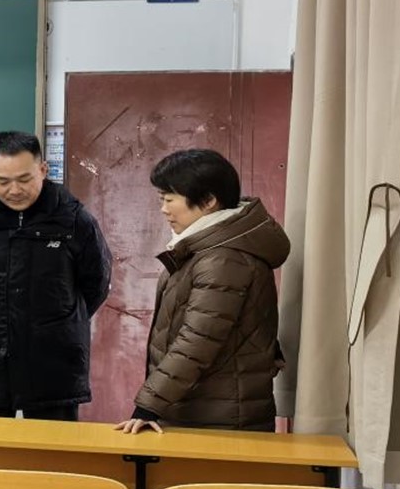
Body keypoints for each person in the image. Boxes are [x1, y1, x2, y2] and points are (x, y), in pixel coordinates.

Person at [115, 148, 290, 434]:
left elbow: (197, 342)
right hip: (204, 410)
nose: (163, 209)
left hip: (221, 420)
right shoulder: (206, 250)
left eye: (169, 199)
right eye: (161, 199)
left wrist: (149, 405)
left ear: (208, 201)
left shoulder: (223, 259)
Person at [0, 131, 112, 420]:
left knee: (51, 447)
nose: (14, 190)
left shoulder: (75, 222)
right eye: (2, 181)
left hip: (54, 363)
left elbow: (95, 284)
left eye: (24, 179)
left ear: (43, 169)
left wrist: (60, 322)